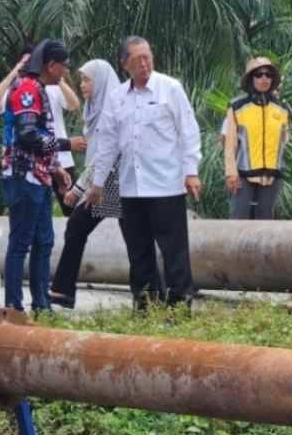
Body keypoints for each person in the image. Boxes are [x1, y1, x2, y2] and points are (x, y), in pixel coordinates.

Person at [85, 36, 202, 311]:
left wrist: (191, 171)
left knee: (174, 250)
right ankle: (146, 303)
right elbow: (107, 144)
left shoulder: (170, 88)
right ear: (124, 64)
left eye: (147, 57)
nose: (144, 64)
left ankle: (179, 304)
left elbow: (188, 131)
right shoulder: (116, 98)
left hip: (165, 184)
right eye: (137, 59)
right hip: (130, 187)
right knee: (138, 251)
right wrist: (97, 183)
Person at [0, 39, 80, 314]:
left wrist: (55, 169)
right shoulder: (27, 89)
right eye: (64, 66)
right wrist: (67, 145)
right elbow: (27, 135)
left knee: (44, 240)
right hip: (22, 177)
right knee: (21, 242)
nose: (66, 72)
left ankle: (42, 304)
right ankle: (13, 306)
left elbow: (40, 137)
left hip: (40, 176)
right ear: (51, 65)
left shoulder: (41, 89)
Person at [49, 58, 124, 309]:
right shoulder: (94, 109)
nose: (82, 85)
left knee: (77, 227)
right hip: (105, 180)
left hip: (111, 182)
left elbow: (104, 155)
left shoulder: (109, 110)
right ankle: (63, 290)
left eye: (87, 79)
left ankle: (62, 290)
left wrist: (79, 188)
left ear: (101, 82)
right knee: (135, 237)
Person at [222, 56, 290, 220]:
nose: (264, 79)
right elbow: (229, 143)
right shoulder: (237, 107)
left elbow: (284, 140)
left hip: (272, 176)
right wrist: (231, 173)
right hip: (243, 175)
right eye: (259, 75)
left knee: (266, 222)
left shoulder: (281, 109)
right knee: (239, 218)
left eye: (268, 75)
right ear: (250, 79)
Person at [45, 77, 82, 216]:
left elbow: (74, 104)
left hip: (62, 160)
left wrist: (59, 79)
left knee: (74, 209)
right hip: (38, 161)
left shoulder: (53, 89)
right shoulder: (22, 91)